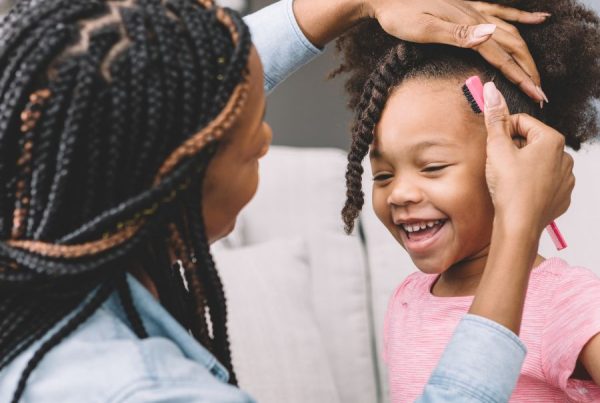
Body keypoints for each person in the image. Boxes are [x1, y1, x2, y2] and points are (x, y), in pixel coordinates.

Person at [0, 0, 572, 401]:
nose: (268, 138)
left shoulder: (39, 258)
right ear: (175, 180)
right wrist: (518, 230)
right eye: (251, 144)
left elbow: (166, 94)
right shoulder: (148, 390)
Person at [334, 0, 600, 401]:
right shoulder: (409, 297)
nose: (401, 193)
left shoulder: (565, 301)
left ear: (515, 157)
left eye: (433, 166)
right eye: (383, 175)